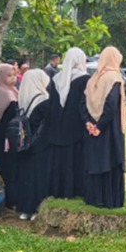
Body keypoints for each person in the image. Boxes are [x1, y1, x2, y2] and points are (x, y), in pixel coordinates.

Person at [81, 47, 126, 209]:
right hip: (110, 130)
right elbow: (111, 106)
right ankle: (110, 199)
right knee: (111, 161)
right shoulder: (114, 78)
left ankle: (95, 198)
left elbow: (83, 104)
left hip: (92, 130)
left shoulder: (93, 79)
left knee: (96, 161)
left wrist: (89, 123)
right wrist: (100, 126)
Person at [47, 48, 89, 199]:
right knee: (75, 159)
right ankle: (74, 190)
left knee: (60, 159)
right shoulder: (84, 79)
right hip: (76, 126)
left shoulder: (57, 79)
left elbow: (52, 104)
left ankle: (57, 189)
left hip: (58, 125)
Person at [11, 69, 52, 219]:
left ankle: (25, 209)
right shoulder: (44, 99)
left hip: (24, 142)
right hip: (40, 144)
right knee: (39, 176)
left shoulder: (22, 97)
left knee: (26, 175)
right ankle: (36, 209)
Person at [0, 63, 20, 207]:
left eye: (14, 75)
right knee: (7, 167)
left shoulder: (12, 90)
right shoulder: (5, 94)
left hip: (6, 135)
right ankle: (9, 200)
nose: (13, 78)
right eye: (9, 75)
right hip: (3, 137)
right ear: (1, 76)